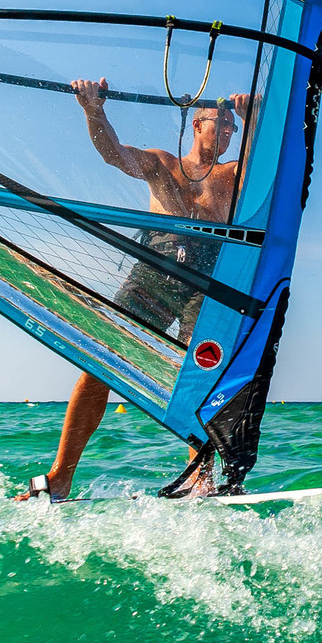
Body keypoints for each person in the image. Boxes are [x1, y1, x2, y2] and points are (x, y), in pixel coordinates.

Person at [39, 80, 252, 500]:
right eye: (220, 123)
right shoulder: (162, 164)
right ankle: (61, 475)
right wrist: (92, 109)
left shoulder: (237, 174)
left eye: (232, 128)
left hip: (206, 281)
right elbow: (113, 154)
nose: (227, 133)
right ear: (197, 124)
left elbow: (272, 167)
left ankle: (200, 478)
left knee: (198, 377)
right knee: (99, 363)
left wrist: (254, 121)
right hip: (154, 269)